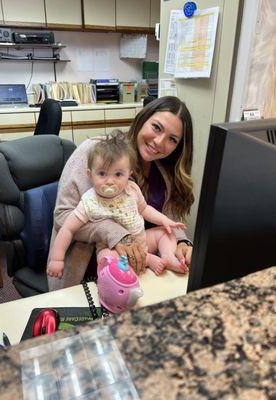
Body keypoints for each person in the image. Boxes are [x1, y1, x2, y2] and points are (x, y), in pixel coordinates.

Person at [48, 96, 194, 290]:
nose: (159, 142)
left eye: (172, 139)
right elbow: (62, 216)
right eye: (156, 127)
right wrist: (114, 233)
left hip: (144, 269)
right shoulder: (96, 152)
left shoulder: (164, 170)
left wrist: (182, 243)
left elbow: (167, 219)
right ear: (142, 119)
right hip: (89, 273)